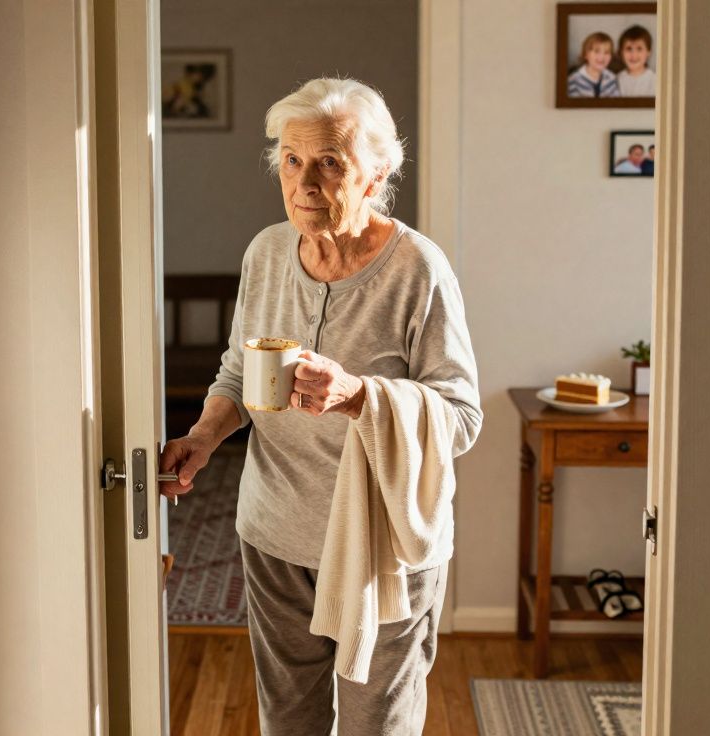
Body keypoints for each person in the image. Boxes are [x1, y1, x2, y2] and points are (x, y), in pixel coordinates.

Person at [159, 77, 483, 735]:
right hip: (276, 532)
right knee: (291, 722)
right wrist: (205, 435)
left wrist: (359, 395)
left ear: (376, 171)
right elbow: (238, 373)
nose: (305, 181)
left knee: (376, 726)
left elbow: (462, 418)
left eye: (330, 162)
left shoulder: (418, 269)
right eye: (292, 160)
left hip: (385, 547)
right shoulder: (266, 252)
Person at [567, 32, 618, 98]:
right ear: (586, 55)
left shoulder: (612, 78)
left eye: (606, 52)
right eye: (596, 51)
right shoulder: (573, 81)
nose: (602, 56)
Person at [615, 25, 657, 97]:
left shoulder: (655, 80)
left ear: (648, 52)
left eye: (639, 49)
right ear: (621, 52)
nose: (633, 55)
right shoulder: (617, 79)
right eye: (628, 49)